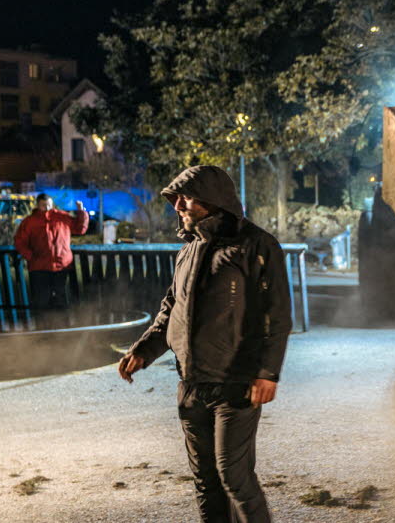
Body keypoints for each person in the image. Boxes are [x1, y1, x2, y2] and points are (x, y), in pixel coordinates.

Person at [118, 165, 291, 523]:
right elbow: (171, 310)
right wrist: (144, 350)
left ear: (214, 200)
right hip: (192, 384)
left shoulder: (256, 245)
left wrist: (267, 372)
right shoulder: (189, 249)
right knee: (206, 481)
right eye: (175, 199)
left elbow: (277, 315)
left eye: (186, 197)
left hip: (236, 384)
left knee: (234, 477)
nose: (178, 205)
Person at [14, 193, 89, 309]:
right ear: (38, 205)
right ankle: (48, 324)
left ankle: (57, 324)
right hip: (41, 266)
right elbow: (19, 242)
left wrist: (81, 212)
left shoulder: (61, 217)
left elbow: (80, 229)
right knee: (43, 299)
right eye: (44, 205)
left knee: (60, 298)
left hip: (60, 265)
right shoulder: (30, 222)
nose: (47, 208)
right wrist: (30, 257)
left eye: (48, 205)